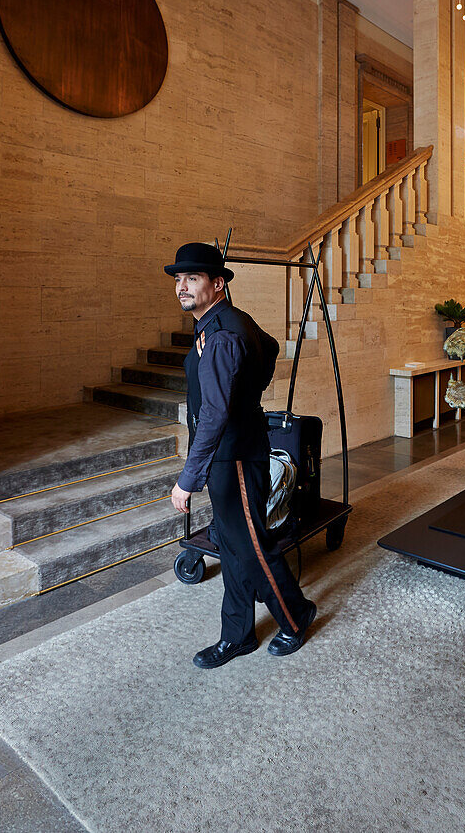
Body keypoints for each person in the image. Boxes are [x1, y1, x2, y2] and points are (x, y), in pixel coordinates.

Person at [165, 242, 316, 669]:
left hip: (232, 455)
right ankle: (238, 635)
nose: (182, 287)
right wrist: (248, 387)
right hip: (229, 453)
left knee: (251, 548)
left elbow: (214, 413)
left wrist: (188, 479)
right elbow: (267, 347)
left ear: (217, 284)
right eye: (178, 279)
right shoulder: (228, 323)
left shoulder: (222, 333)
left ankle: (296, 614)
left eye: (192, 278)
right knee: (232, 546)